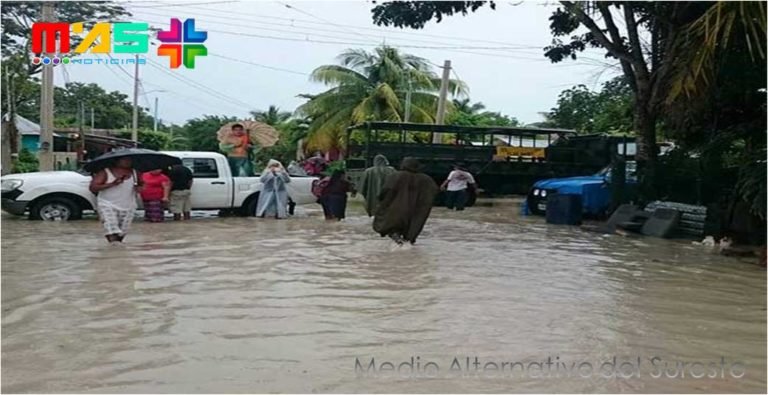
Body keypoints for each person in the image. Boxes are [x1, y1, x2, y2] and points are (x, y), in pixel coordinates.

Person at [373, 157, 439, 245]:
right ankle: (407, 246)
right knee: (411, 230)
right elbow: (434, 191)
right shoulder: (426, 179)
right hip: (416, 210)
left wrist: (382, 202)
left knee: (392, 226)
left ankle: (398, 240)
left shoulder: (396, 176)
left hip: (396, 208)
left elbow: (385, 191)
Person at [89, 157, 141, 243]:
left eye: (129, 160)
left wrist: (139, 188)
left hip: (129, 205)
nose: (128, 162)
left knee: (122, 232)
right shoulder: (105, 172)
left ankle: (118, 251)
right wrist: (112, 184)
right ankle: (113, 248)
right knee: (111, 230)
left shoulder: (135, 173)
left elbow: (142, 184)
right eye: (124, 160)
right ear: (116, 161)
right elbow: (93, 187)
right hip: (107, 204)